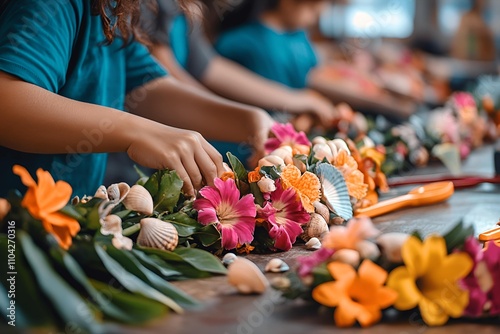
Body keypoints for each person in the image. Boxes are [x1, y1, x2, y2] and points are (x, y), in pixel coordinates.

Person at [0, 0, 272, 198]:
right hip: (14, 233)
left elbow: (145, 89)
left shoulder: (115, 8)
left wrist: (249, 120)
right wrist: (136, 131)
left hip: (67, 221)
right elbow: (8, 102)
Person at [140, 0, 338, 127]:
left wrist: (296, 100)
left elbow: (210, 68)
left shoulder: (182, 8)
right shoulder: (247, 41)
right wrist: (245, 121)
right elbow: (161, 76)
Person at [214, 0, 327, 92]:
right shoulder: (243, 40)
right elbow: (212, 67)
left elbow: (311, 74)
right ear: (287, 2)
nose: (314, 20)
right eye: (312, 11)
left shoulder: (299, 36)